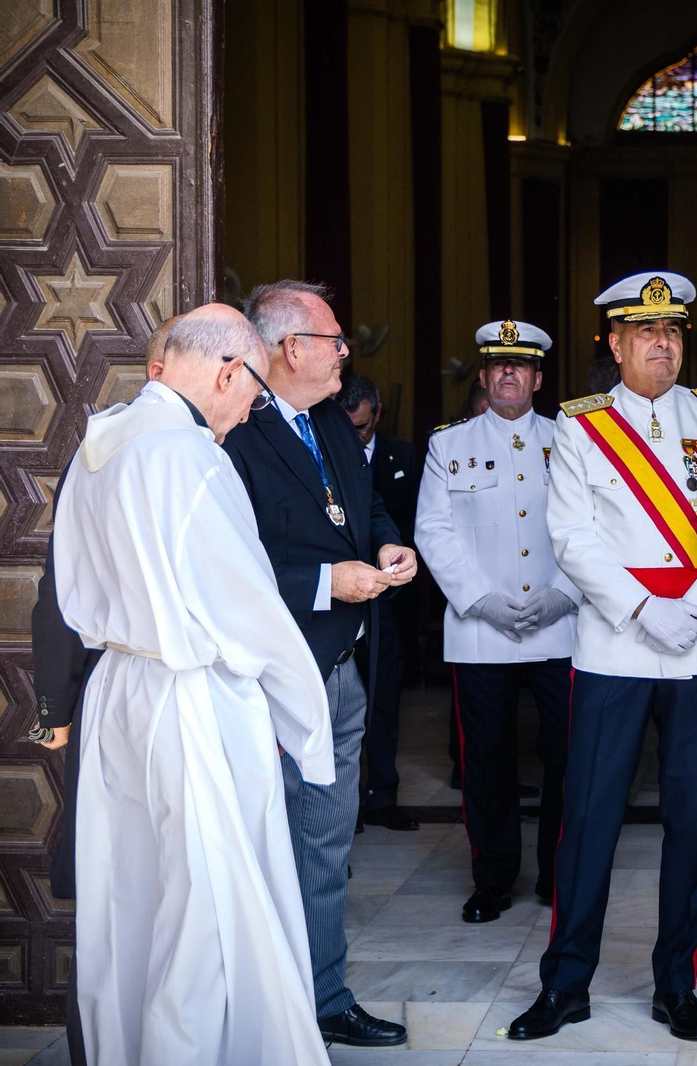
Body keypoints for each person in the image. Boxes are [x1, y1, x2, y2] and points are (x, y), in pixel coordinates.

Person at [53, 304, 336, 1066]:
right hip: (191, 697)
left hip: (118, 689)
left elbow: (70, 588)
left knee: (128, 896)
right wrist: (305, 721)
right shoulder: (191, 459)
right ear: (227, 372)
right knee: (206, 908)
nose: (249, 412)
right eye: (254, 394)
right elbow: (248, 609)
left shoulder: (99, 447)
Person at [513, 272, 697, 1043]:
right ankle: (565, 985)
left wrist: (695, 609)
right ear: (616, 343)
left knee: (692, 821)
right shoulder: (581, 427)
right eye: (647, 332)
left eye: (674, 331)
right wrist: (644, 608)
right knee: (589, 819)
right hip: (614, 649)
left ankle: (675, 987)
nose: (664, 344)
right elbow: (571, 537)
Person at [225, 280, 415, 1048]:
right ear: (290, 347)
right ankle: (262, 1010)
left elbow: (363, 507)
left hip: (341, 670)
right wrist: (322, 582)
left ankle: (324, 998)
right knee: (263, 848)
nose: (346, 351)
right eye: (335, 339)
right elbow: (221, 562)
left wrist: (387, 544)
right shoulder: (236, 430)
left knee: (328, 849)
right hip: (270, 679)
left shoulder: (332, 418)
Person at [30, 315, 179, 1066]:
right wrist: (55, 711)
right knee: (111, 880)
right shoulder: (107, 448)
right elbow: (62, 591)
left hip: (162, 696)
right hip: (119, 690)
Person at [415, 319, 579, 921]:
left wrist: (566, 595)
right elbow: (432, 530)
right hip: (480, 632)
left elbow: (595, 528)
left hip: (559, 627)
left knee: (569, 755)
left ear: (538, 379)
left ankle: (559, 874)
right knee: (485, 760)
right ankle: (492, 877)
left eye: (521, 364)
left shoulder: (571, 441)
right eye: (498, 364)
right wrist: (479, 600)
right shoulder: (448, 445)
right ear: (484, 377)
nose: (509, 372)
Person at [339, 375, 422, 831]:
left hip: (390, 602)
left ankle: (383, 795)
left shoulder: (403, 456)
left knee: (385, 701)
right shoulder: (330, 451)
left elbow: (412, 521)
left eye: (364, 427)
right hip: (341, 599)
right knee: (341, 707)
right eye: (349, 427)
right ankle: (346, 804)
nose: (358, 436)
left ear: (378, 413)